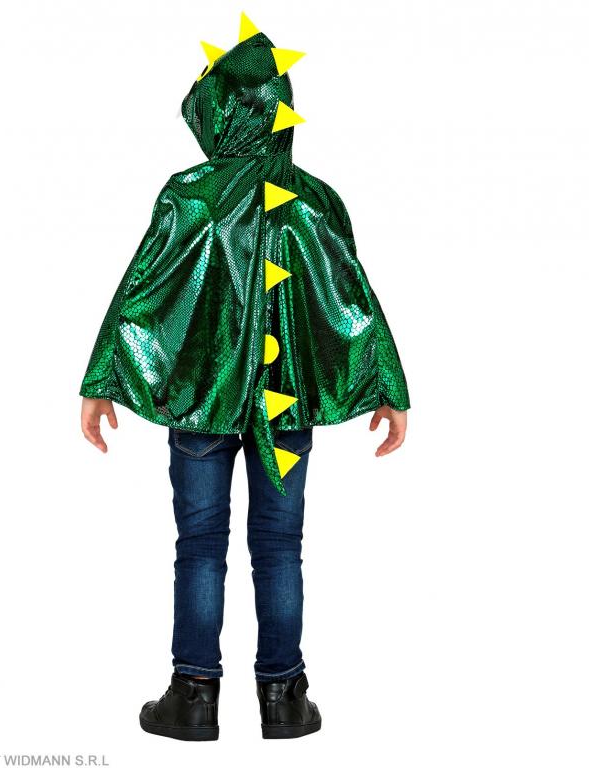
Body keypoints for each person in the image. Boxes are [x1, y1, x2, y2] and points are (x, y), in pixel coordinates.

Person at [78, 13, 410, 741]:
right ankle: (284, 697)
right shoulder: (314, 201)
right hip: (284, 411)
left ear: (221, 110)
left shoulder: (189, 195)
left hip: (201, 406)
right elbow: (353, 299)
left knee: (200, 543)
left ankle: (194, 696)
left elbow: (143, 291)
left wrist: (102, 378)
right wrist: (388, 386)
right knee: (280, 545)